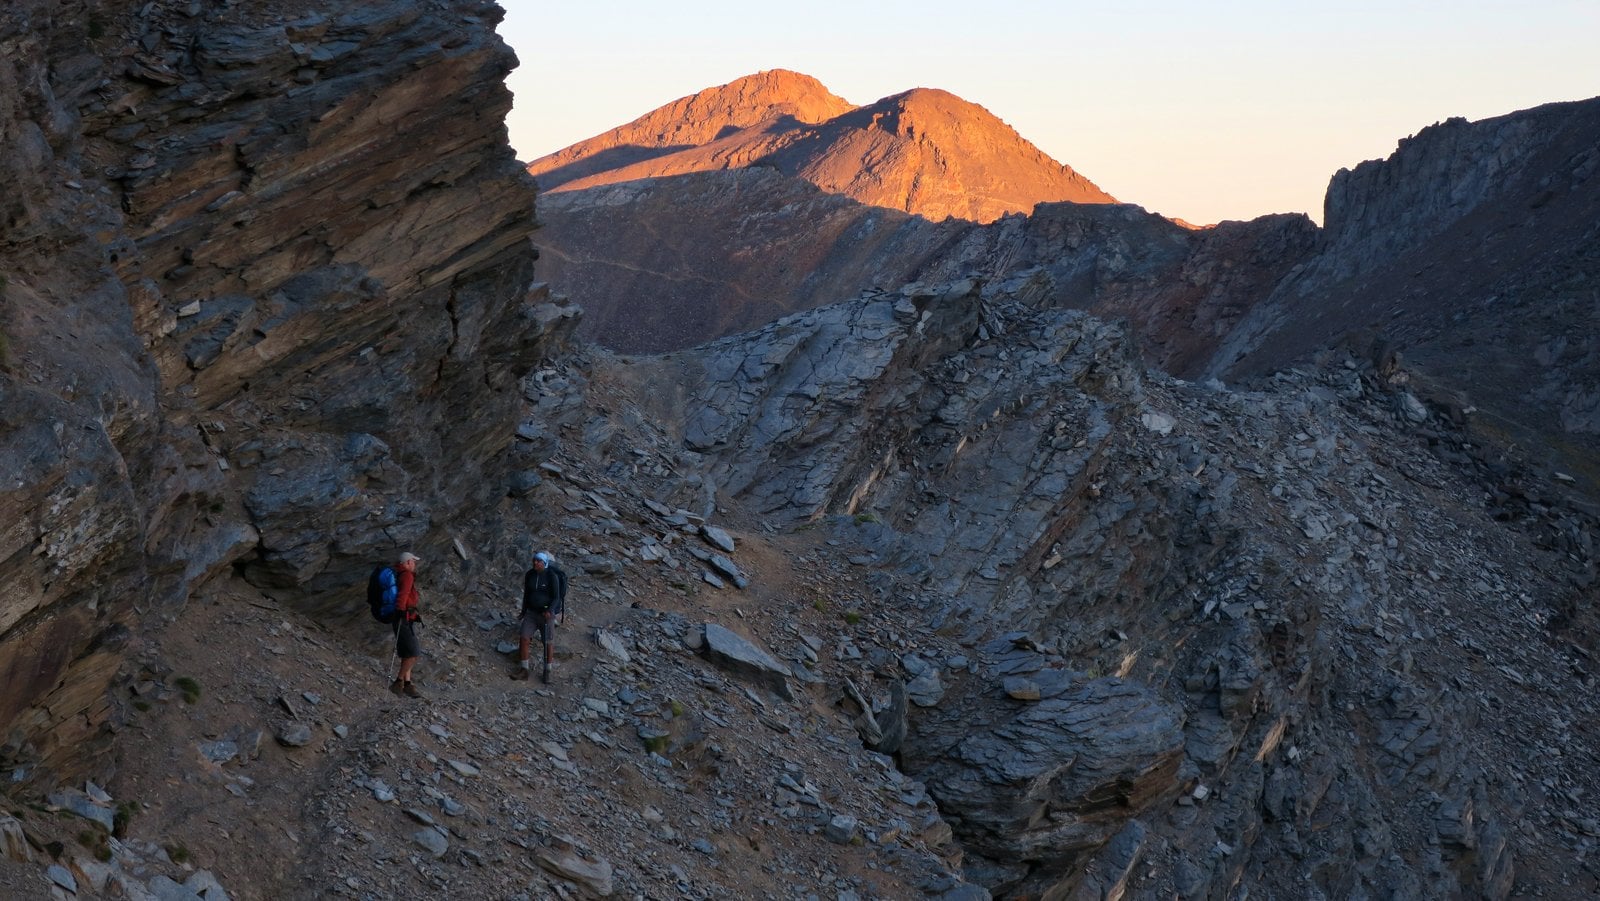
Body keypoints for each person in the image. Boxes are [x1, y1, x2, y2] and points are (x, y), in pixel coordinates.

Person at [513, 551, 567, 683]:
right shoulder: (530, 575)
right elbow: (527, 594)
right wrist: (523, 611)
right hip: (531, 613)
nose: (535, 563)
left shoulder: (551, 576)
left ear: (544, 563)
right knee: (524, 638)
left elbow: (556, 597)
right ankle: (524, 670)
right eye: (534, 560)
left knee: (547, 642)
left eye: (538, 561)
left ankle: (547, 671)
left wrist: (550, 610)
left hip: (546, 615)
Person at [389, 551, 424, 698]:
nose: (414, 564)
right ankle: (398, 682)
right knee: (413, 652)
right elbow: (403, 595)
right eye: (413, 562)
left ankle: (407, 684)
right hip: (403, 617)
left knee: (407, 652)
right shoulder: (407, 575)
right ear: (408, 562)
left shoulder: (399, 574)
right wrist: (401, 611)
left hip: (404, 617)